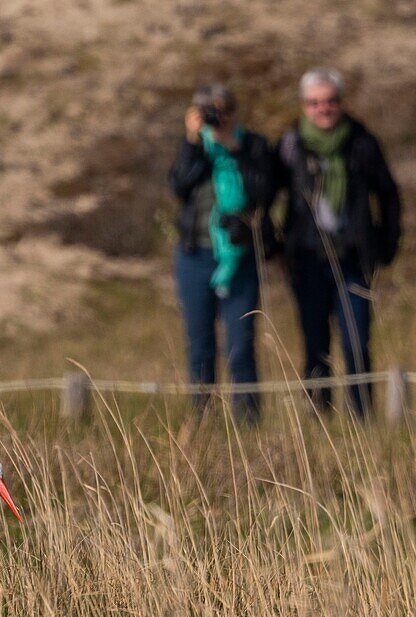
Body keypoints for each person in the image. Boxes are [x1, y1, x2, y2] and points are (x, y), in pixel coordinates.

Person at [276, 68, 402, 418]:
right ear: (304, 106)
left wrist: (385, 246)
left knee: (356, 341)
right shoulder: (290, 145)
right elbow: (267, 194)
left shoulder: (361, 142)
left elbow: (389, 195)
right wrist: (275, 246)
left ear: (341, 103)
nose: (323, 109)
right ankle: (318, 419)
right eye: (315, 103)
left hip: (353, 259)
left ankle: (362, 419)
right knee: (315, 343)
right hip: (307, 258)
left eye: (330, 101)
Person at [168, 82, 276, 422]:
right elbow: (178, 186)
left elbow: (265, 190)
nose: (216, 119)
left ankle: (248, 422)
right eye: (208, 112)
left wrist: (235, 148)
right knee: (200, 345)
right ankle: (203, 421)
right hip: (195, 256)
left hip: (239, 259)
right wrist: (191, 141)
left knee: (241, 346)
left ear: (234, 113)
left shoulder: (253, 145)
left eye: (222, 111)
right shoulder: (196, 148)